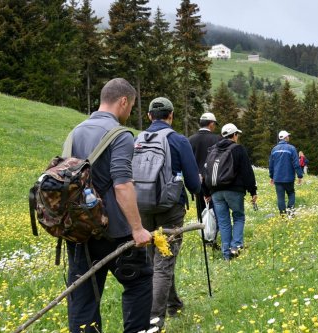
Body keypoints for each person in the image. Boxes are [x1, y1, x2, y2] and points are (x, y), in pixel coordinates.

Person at [65, 78, 153, 333]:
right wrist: (137, 229)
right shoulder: (120, 135)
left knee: (83, 294)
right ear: (123, 101)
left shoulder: (75, 132)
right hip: (114, 230)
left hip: (80, 230)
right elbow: (122, 185)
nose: (130, 112)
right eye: (132, 106)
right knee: (139, 282)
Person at [139, 97, 202, 329]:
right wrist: (198, 189)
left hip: (142, 207)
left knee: (154, 259)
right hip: (169, 207)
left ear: (149, 117)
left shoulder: (138, 139)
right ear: (171, 115)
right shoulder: (178, 140)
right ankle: (155, 320)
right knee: (164, 262)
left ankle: (173, 303)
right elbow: (194, 182)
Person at [204, 123, 257, 260]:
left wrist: (207, 192)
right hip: (234, 190)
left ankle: (226, 253)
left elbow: (206, 172)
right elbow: (247, 172)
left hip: (216, 192)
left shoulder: (213, 149)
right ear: (234, 135)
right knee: (239, 217)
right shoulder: (238, 149)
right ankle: (236, 247)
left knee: (223, 222)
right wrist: (253, 191)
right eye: (237, 134)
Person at [188, 112, 221, 248]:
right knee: (215, 210)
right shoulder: (217, 139)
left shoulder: (190, 139)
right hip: (213, 181)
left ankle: (205, 238)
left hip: (197, 181)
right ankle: (213, 238)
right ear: (211, 124)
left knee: (201, 210)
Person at [269, 130, 304, 217]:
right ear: (285, 137)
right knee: (291, 194)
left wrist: (272, 176)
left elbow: (271, 165)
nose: (289, 137)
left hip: (277, 178)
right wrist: (300, 175)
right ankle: (291, 213)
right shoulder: (291, 148)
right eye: (288, 136)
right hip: (289, 177)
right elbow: (296, 163)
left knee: (280, 198)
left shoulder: (274, 149)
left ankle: (283, 216)